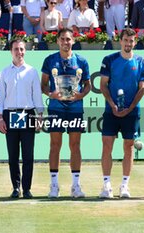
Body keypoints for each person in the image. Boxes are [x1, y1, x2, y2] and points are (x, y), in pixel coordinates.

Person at [41, 28, 91, 198]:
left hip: (75, 108)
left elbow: (88, 85)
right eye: (62, 39)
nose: (65, 42)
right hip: (56, 107)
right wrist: (51, 94)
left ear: (73, 41)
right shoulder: (50, 60)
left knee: (75, 145)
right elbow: (43, 85)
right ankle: (54, 185)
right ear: (57, 41)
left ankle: (75, 186)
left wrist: (81, 95)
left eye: (68, 39)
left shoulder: (81, 61)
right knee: (55, 145)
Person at [99, 28, 144, 199]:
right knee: (107, 145)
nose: (128, 44)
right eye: (125, 40)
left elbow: (142, 88)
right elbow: (103, 85)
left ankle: (124, 186)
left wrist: (130, 107)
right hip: (111, 111)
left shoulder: (142, 62)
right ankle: (106, 186)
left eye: (131, 41)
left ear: (135, 42)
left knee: (128, 147)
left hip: (132, 112)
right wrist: (113, 105)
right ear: (120, 41)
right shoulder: (109, 59)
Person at [0, 39, 44, 199]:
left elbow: (37, 95)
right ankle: (15, 188)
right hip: (10, 114)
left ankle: (27, 188)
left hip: (28, 113)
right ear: (11, 51)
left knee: (28, 155)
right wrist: (0, 117)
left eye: (22, 49)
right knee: (13, 156)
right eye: (16, 49)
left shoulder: (32, 71)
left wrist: (39, 115)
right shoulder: (5, 71)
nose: (19, 52)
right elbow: (1, 96)